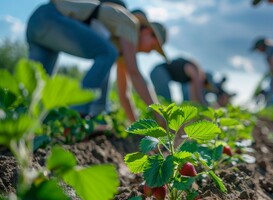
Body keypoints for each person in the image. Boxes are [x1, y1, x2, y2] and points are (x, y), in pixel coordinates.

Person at [26, 0, 167, 122]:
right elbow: (134, 72)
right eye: (152, 47)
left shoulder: (117, 43)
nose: (149, 52)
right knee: (108, 53)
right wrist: (160, 115)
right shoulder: (130, 23)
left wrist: (137, 130)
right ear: (147, 32)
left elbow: (125, 95)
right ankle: (77, 113)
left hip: (38, 22)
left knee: (34, 95)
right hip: (51, 18)